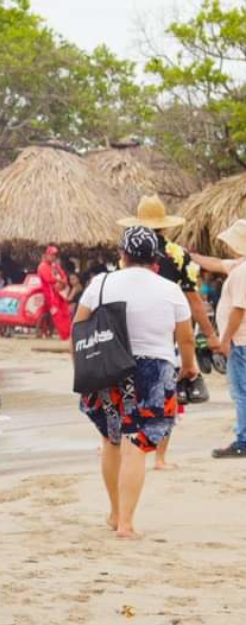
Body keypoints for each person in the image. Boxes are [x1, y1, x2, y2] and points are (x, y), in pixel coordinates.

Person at [75, 226, 197, 538]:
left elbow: (79, 327)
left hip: (109, 367)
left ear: (122, 254)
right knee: (136, 444)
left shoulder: (101, 283)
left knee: (111, 440)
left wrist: (83, 368)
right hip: (153, 371)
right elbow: (185, 338)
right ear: (155, 257)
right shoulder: (170, 289)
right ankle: (126, 523)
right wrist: (188, 367)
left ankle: (115, 513)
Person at [118, 196, 220, 470]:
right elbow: (193, 300)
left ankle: (124, 444)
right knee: (167, 395)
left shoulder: (126, 255)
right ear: (164, 225)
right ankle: (160, 457)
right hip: (167, 332)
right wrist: (210, 335)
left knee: (128, 393)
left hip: (130, 333)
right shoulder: (178, 255)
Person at [210, 220, 246, 459]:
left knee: (241, 391)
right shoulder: (239, 267)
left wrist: (225, 340)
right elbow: (214, 263)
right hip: (241, 338)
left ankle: (243, 439)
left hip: (240, 340)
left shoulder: (242, 272)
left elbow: (239, 309)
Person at [36, 246, 72, 340]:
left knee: (65, 312)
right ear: (46, 255)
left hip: (59, 294)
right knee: (57, 315)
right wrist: (61, 281)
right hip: (50, 296)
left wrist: (63, 281)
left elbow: (64, 276)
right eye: (51, 255)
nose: (53, 257)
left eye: (55, 255)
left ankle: (69, 333)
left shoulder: (55, 265)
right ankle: (64, 335)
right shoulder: (42, 266)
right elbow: (49, 279)